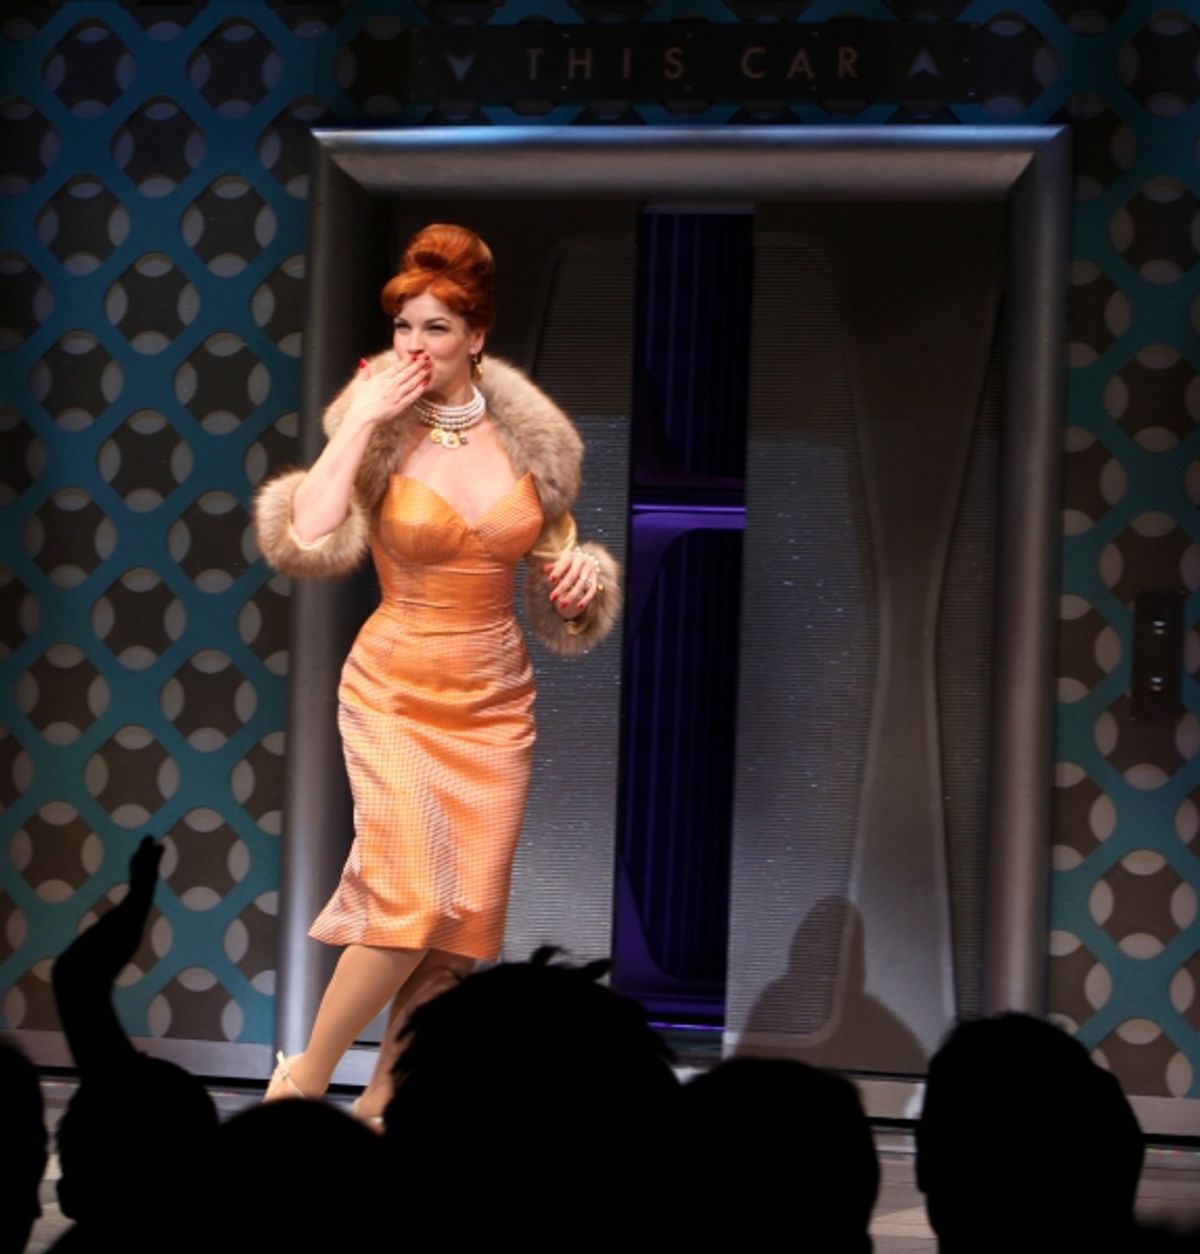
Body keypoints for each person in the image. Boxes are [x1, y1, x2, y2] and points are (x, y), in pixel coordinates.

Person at [253, 223, 621, 1117]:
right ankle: (299, 1083)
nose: (415, 347)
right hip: (394, 685)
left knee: (457, 930)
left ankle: (383, 1112)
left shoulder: (535, 445)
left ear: (477, 338)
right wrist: (366, 419)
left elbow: (559, 573)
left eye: (435, 330)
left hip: (496, 698)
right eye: (404, 329)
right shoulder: (374, 428)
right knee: (410, 896)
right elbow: (304, 533)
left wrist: (582, 581)